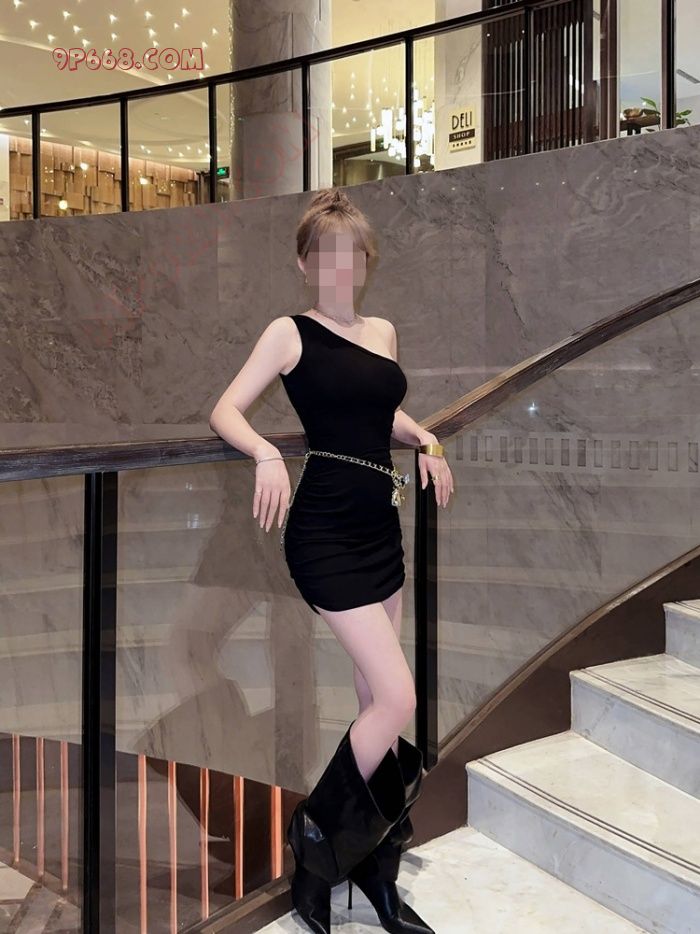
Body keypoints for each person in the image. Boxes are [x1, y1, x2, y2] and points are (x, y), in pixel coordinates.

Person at [209, 187, 454, 933]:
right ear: (305, 263)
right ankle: (315, 847)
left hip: (380, 530)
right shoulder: (289, 333)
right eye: (325, 256)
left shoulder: (382, 331)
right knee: (397, 699)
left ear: (365, 260)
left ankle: (375, 871)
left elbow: (382, 411)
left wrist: (428, 438)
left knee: (373, 697)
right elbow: (225, 410)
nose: (339, 267)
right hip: (323, 534)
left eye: (351, 254)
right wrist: (265, 454)